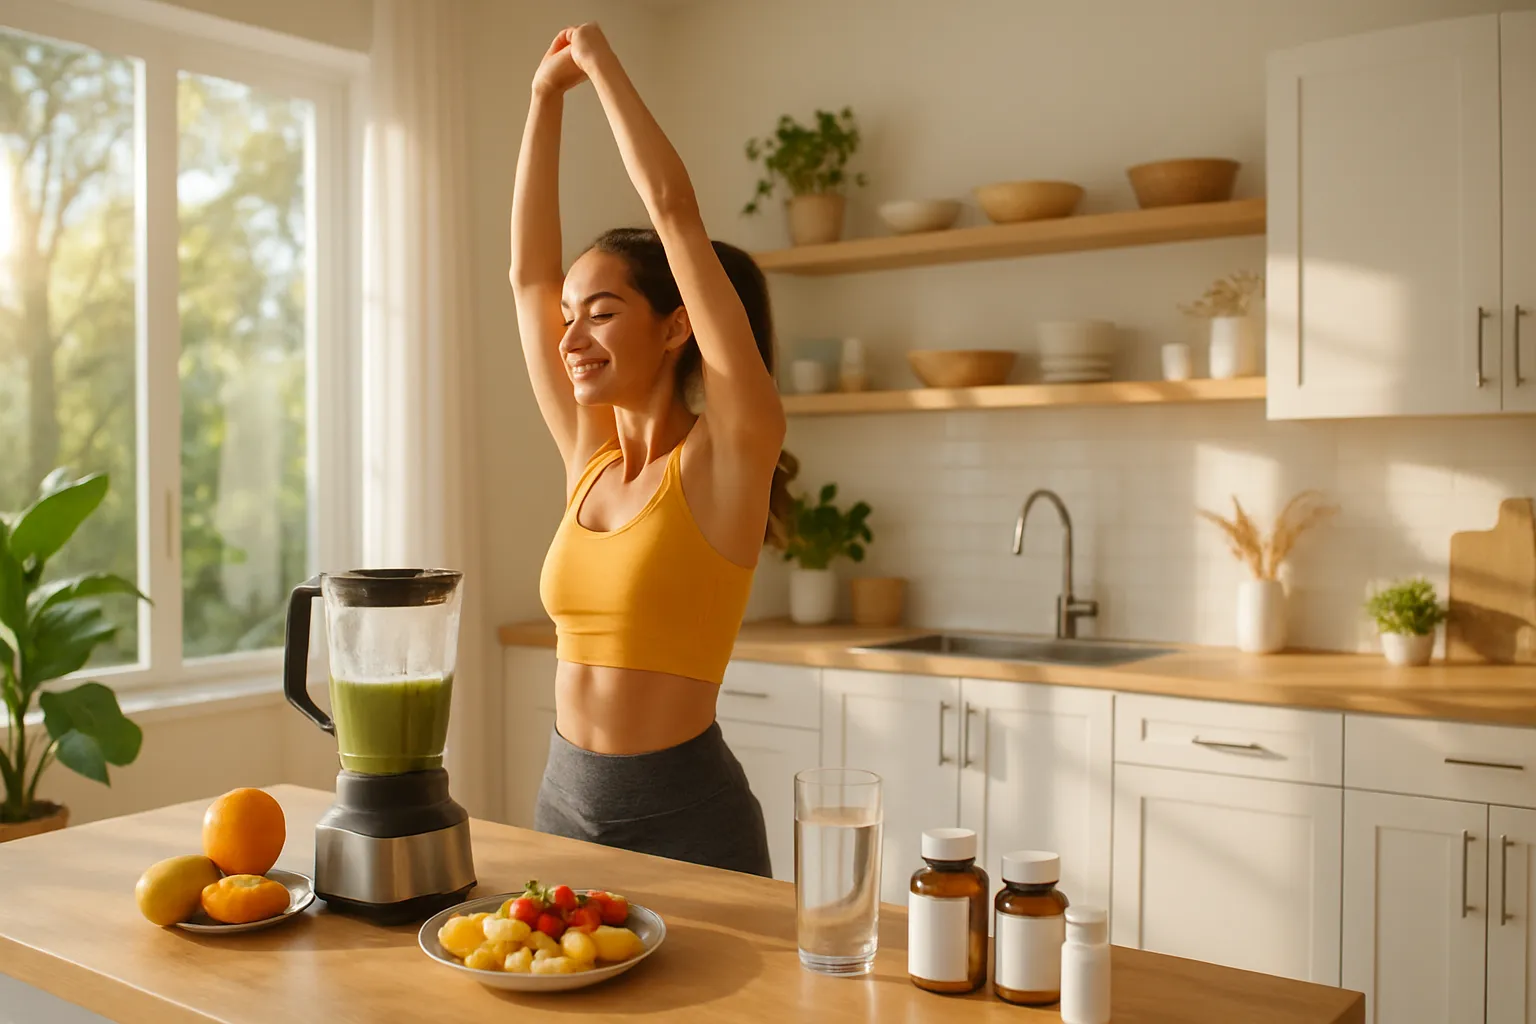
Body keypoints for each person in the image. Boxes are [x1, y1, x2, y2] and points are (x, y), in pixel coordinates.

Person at [511, 23, 790, 877]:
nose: (572, 336)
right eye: (571, 317)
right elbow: (528, 279)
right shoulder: (587, 459)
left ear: (676, 327)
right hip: (562, 805)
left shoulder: (726, 455)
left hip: (689, 823)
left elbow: (674, 213)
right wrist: (541, 100)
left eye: (601, 312)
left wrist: (598, 66)